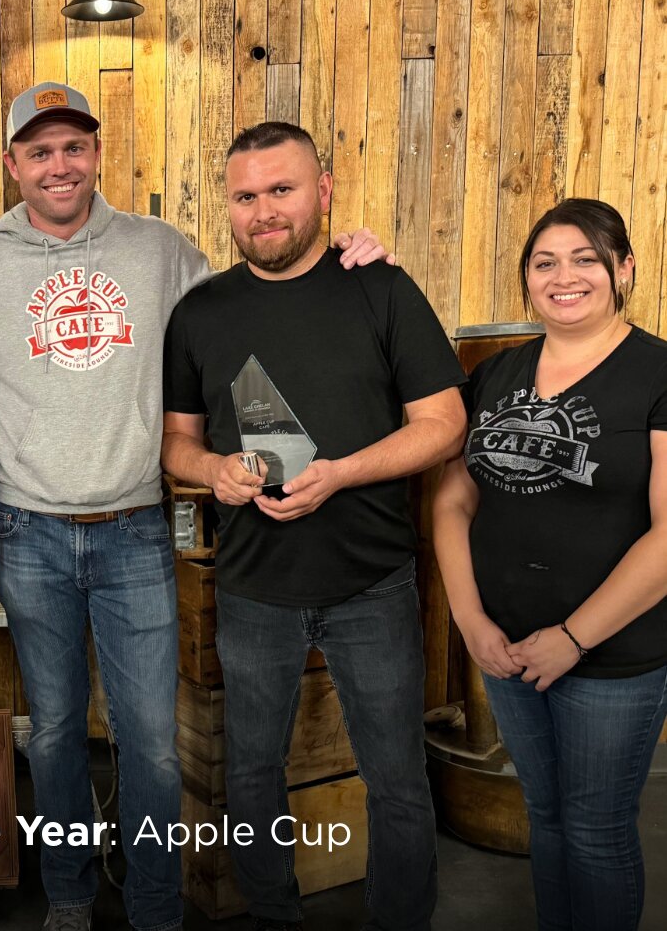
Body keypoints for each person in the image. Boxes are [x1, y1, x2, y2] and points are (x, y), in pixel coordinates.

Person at [0, 85, 391, 931]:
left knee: (151, 745)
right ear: (11, 165)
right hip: (29, 534)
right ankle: (67, 901)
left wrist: (346, 252)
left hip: (137, 529)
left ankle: (154, 907)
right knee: (56, 735)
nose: (57, 165)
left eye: (73, 146)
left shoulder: (161, 252)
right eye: (38, 150)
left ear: (96, 155)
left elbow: (254, 307)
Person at [160, 122, 466, 931]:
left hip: (374, 581)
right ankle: (271, 915)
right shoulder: (201, 313)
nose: (264, 212)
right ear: (227, 205)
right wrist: (212, 471)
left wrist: (341, 474)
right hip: (255, 586)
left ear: (323, 191)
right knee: (252, 772)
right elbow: (176, 446)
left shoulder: (382, 288)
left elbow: (443, 424)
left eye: (282, 190)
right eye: (246, 196)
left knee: (398, 778)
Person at [432, 198, 667, 931]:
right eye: (545, 262)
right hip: (506, 648)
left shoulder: (657, 372)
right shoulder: (498, 374)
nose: (564, 276)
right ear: (527, 279)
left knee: (595, 831)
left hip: (611, 656)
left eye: (585, 259)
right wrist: (471, 622)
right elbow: (452, 503)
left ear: (624, 270)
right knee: (546, 815)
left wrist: (573, 637)